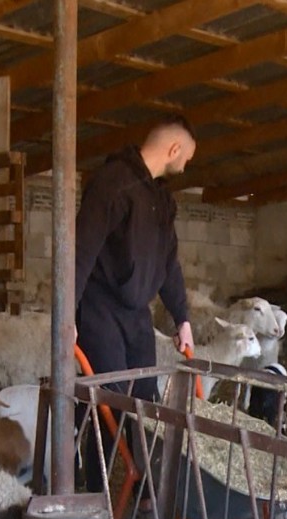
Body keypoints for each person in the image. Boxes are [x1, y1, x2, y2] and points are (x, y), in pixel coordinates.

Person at [73, 115, 197, 492]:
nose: (185, 166)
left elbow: (168, 263)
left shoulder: (160, 198)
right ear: (174, 149)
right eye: (187, 157)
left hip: (136, 314)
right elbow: (81, 250)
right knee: (109, 401)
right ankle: (96, 492)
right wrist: (67, 314)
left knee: (146, 400)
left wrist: (182, 318)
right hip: (100, 310)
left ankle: (143, 493)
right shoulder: (113, 183)